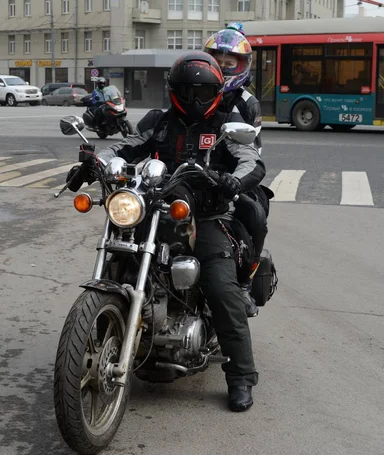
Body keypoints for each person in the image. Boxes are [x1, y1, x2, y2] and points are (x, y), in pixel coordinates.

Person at [65, 51, 264, 412]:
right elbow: (124, 147)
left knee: (220, 288)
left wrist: (231, 179)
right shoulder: (159, 121)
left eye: (202, 92)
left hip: (206, 217)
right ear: (174, 91)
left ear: (216, 92)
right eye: (186, 91)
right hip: (155, 208)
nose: (193, 99)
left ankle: (241, 377)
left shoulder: (225, 123)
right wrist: (98, 162)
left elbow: (251, 159)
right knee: (118, 261)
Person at [204, 25, 273, 318]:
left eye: (229, 62)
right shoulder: (195, 88)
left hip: (234, 177)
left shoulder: (247, 102)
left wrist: (233, 179)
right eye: (216, 59)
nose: (221, 66)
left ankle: (244, 281)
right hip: (191, 171)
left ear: (242, 66)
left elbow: (250, 153)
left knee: (254, 215)